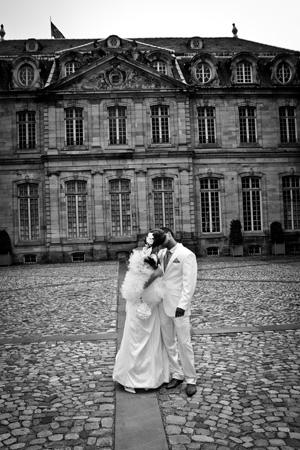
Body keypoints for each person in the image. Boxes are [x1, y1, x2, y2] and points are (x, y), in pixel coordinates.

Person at [112, 230, 170, 394]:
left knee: (150, 340)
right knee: (136, 340)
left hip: (150, 302)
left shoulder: (152, 255)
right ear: (157, 245)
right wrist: (156, 274)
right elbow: (138, 285)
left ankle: (151, 377)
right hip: (139, 301)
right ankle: (131, 379)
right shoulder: (141, 257)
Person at [156, 226, 198, 397]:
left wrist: (183, 304)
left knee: (184, 343)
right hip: (162, 304)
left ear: (169, 234)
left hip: (179, 306)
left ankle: (191, 379)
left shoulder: (186, 254)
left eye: (162, 237)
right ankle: (177, 374)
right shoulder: (160, 254)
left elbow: (189, 283)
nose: (162, 242)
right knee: (168, 342)